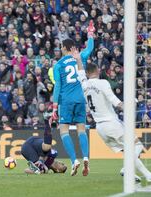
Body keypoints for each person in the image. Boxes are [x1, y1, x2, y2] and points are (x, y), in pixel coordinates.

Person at [73, 49, 151, 182]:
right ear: (99, 71)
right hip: (111, 124)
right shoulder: (103, 83)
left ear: (88, 73)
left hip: (100, 128)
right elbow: (116, 103)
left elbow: (80, 72)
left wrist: (78, 59)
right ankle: (127, 169)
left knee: (129, 152)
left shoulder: (84, 85)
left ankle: (148, 175)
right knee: (138, 146)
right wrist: (131, 104)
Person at [51, 38, 89, 176]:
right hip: (80, 99)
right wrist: (90, 36)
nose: (60, 49)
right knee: (81, 130)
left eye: (61, 47)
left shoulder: (58, 65)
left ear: (65, 48)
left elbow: (58, 86)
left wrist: (55, 107)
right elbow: (89, 48)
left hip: (66, 101)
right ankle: (85, 157)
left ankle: (74, 161)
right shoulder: (80, 58)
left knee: (64, 131)